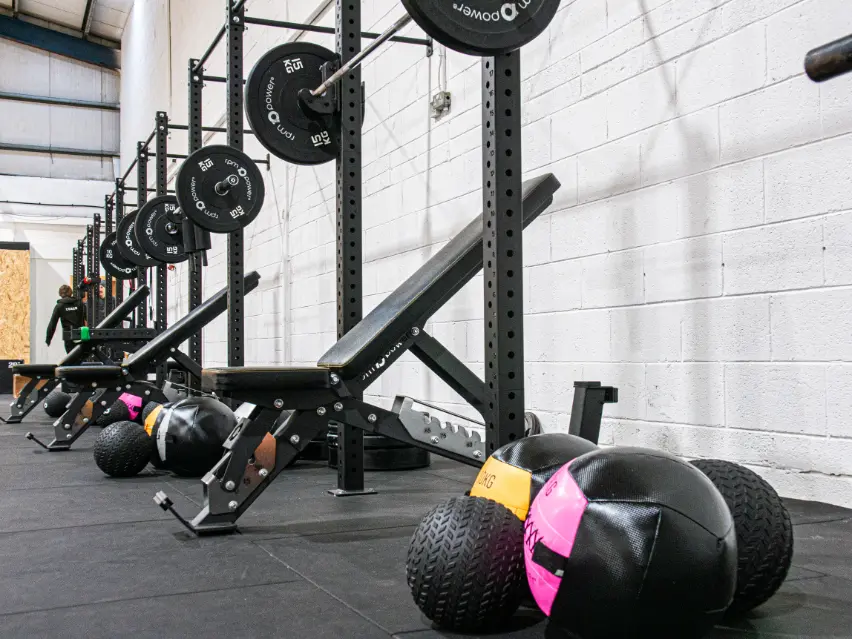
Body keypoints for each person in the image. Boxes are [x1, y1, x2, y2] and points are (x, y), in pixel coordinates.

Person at [46, 285, 86, 353]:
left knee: (71, 357)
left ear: (60, 294)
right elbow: (87, 317)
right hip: (81, 335)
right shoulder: (79, 303)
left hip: (68, 338)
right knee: (82, 356)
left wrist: (48, 339)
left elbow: (52, 323)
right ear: (71, 292)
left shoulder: (59, 306)